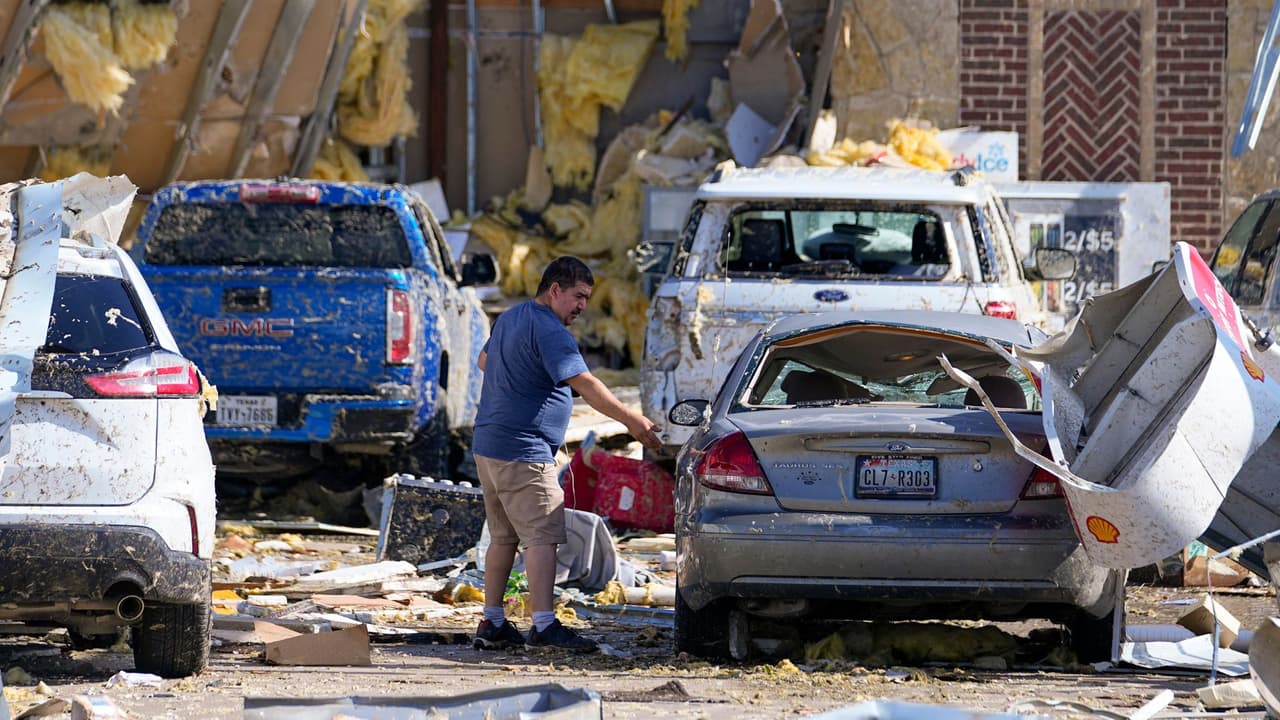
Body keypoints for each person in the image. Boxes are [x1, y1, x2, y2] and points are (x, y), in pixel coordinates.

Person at [470, 256, 661, 652]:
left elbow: (485, 360)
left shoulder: (511, 317)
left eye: (587, 299)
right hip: (523, 451)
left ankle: (492, 622)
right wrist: (633, 421)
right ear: (554, 289)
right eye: (578, 296)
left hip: (489, 446)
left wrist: (524, 377)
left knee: (503, 539)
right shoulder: (549, 329)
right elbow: (586, 382)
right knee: (542, 537)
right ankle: (542, 626)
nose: (582, 307)